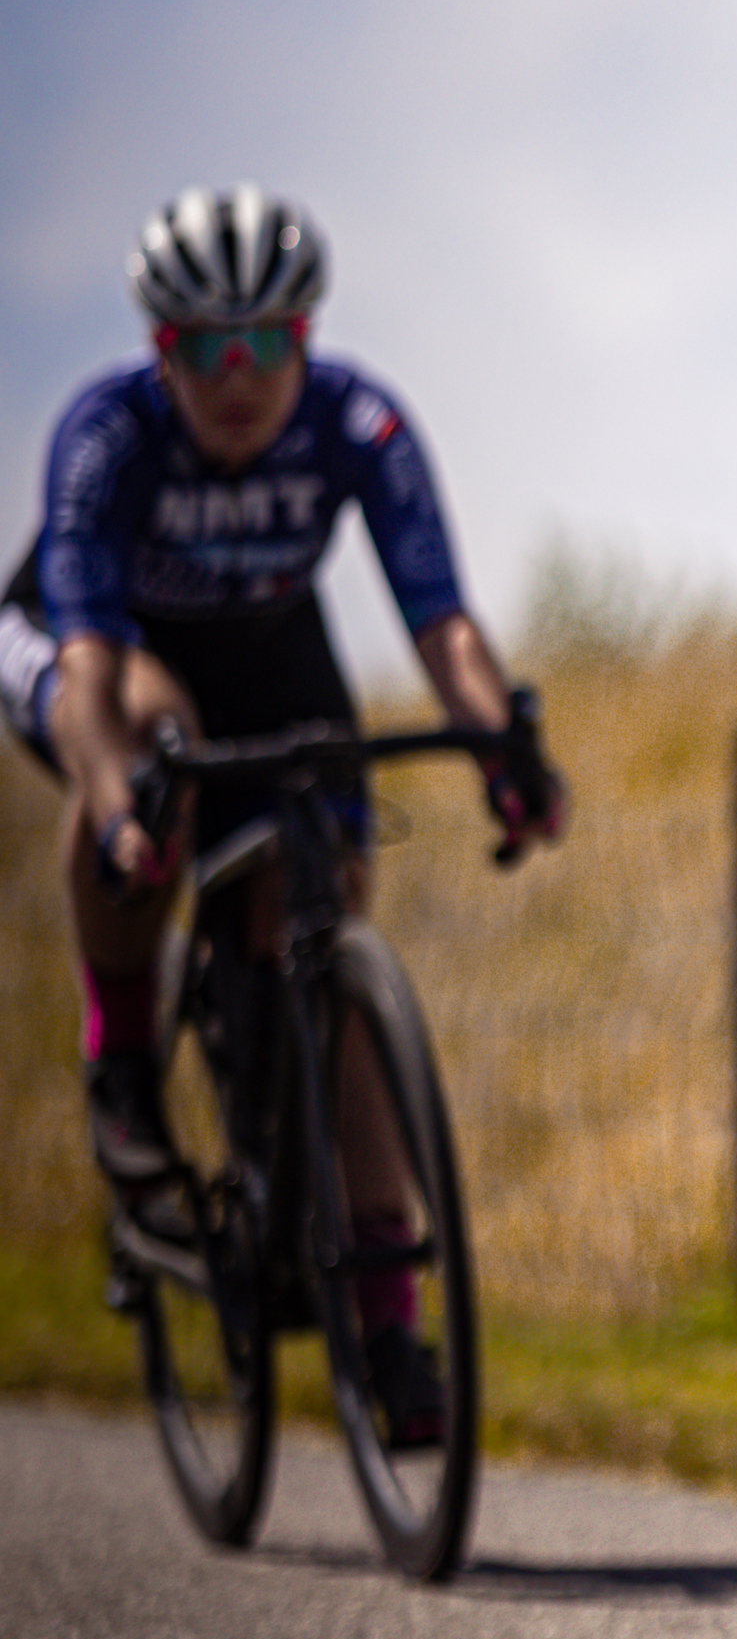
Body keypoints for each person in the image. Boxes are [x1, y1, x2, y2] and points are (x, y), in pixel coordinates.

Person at [4, 186, 564, 1410]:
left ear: (306, 340)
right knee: (155, 748)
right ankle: (122, 1060)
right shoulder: (107, 437)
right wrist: (117, 815)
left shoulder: (356, 424)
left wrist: (502, 756)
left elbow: (442, 622)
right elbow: (90, 676)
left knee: (326, 921)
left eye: (271, 341)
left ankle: (384, 1320)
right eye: (207, 347)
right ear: (164, 351)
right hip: (96, 648)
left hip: (267, 643)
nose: (241, 373)